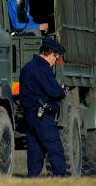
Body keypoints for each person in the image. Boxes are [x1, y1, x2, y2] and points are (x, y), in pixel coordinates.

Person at [19, 37, 67, 177]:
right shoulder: (43, 69)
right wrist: (62, 90)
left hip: (29, 116)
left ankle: (32, 179)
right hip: (43, 116)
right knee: (54, 147)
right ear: (50, 53)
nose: (55, 61)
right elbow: (55, 92)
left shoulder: (26, 68)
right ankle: (61, 178)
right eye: (56, 57)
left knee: (35, 150)